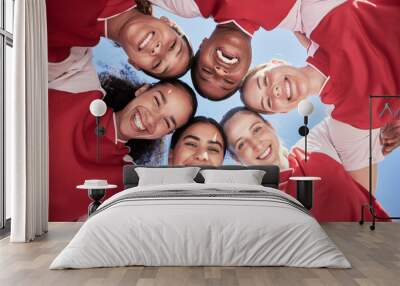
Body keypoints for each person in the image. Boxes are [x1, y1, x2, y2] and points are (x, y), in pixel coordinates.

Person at [49, 55, 198, 221]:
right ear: (142, 90)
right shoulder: (81, 83)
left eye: (166, 122)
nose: (151, 118)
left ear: (165, 134)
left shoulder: (126, 183)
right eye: (156, 101)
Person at [220, 107, 390, 222]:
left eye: (257, 129)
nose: (256, 145)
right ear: (237, 159)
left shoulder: (317, 144)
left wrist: (388, 125)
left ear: (270, 126)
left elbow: (357, 108)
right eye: (242, 144)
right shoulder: (253, 207)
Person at [148, 0, 272, 100]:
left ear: (202, 45)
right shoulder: (287, 19)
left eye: (207, 71)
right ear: (246, 70)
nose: (220, 72)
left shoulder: (190, 4)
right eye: (228, 81)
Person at [46, 0, 193, 79]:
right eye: (173, 45)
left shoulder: (65, 52)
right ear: (167, 22)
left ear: (134, 64)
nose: (158, 51)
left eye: (157, 64)